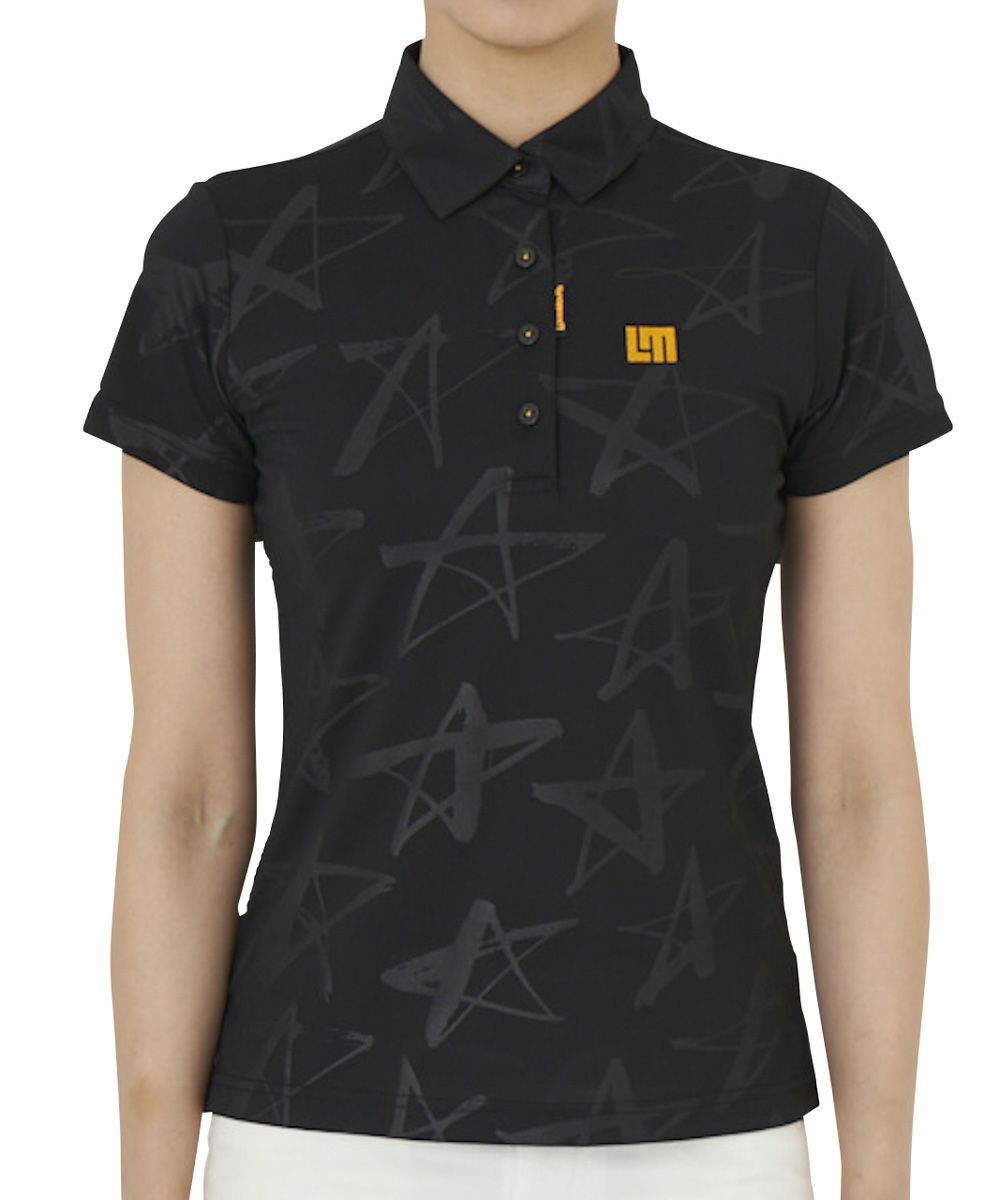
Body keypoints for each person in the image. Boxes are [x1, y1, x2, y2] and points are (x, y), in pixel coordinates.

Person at [81, 1, 953, 1197]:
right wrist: (146, 1178)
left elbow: (857, 784)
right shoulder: (232, 257)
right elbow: (186, 796)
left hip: (706, 1135)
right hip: (319, 1131)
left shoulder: (801, 253)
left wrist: (883, 1176)